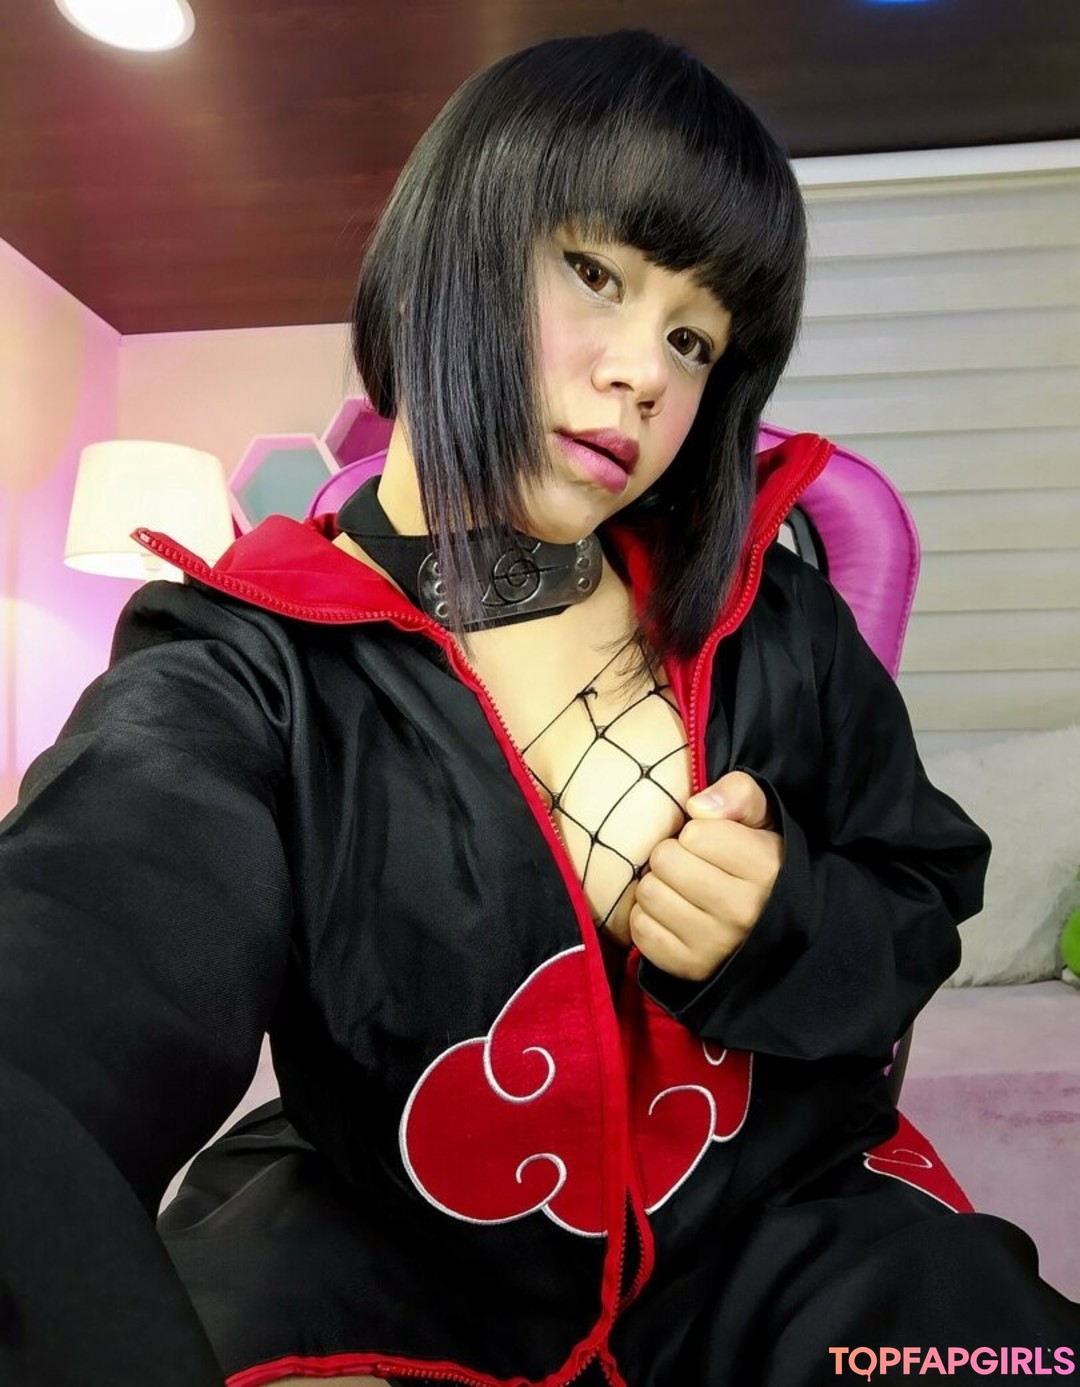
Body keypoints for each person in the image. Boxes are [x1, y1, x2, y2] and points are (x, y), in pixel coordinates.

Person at [1, 27, 1077, 1387]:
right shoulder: (246, 668)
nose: (645, 373)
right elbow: (58, 1000)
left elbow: (921, 890)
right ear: (447, 250)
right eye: (595, 274)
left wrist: (782, 918)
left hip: (782, 1226)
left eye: (692, 338)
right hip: (398, 1250)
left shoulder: (770, 616)